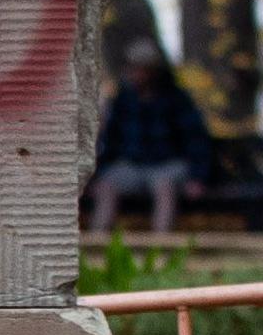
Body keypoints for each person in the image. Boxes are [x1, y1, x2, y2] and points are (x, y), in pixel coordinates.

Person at [85, 40, 213, 238]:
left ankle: (159, 247)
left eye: (141, 69)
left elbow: (196, 141)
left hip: (168, 165)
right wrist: (97, 175)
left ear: (154, 72)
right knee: (107, 187)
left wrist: (198, 177)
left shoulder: (177, 101)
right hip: (132, 166)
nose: (136, 74)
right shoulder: (123, 101)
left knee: (164, 187)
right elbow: (111, 143)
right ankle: (96, 244)